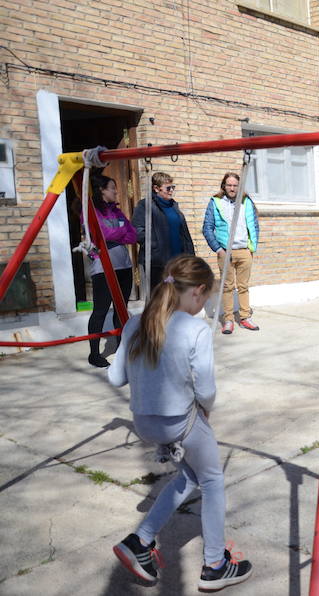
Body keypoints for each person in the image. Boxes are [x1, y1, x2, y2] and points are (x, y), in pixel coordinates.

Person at [108, 256, 252, 591]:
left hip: (144, 422)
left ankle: (140, 541)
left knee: (189, 475)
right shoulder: (196, 328)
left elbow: (116, 378)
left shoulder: (134, 324)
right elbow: (206, 389)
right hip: (180, 423)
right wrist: (206, 409)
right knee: (213, 480)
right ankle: (215, 564)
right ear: (198, 292)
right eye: (203, 299)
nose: (201, 306)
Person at [85, 175, 137, 368]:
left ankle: (123, 348)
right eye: (112, 188)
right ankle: (94, 353)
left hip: (124, 265)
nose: (116, 191)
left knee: (121, 310)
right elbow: (101, 234)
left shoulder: (117, 212)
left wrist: (117, 234)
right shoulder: (89, 212)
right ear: (102, 191)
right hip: (103, 268)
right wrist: (120, 232)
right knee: (100, 311)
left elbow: (133, 236)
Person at [202, 172, 260, 334]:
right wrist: (218, 249)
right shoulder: (216, 202)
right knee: (227, 287)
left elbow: (255, 225)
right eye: (229, 185)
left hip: (244, 252)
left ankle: (245, 317)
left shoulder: (246, 202)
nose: (232, 188)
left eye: (235, 185)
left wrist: (251, 248)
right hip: (225, 252)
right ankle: (228, 320)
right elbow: (207, 227)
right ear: (224, 186)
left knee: (243, 286)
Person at [132, 172, 195, 293]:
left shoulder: (173, 206)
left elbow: (184, 234)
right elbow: (137, 231)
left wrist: (190, 255)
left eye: (173, 187)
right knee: (161, 296)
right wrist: (155, 245)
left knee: (178, 295)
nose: (171, 190)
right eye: (168, 188)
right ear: (156, 188)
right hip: (158, 263)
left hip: (178, 262)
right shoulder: (145, 205)